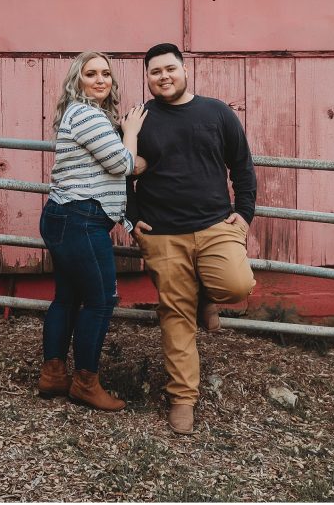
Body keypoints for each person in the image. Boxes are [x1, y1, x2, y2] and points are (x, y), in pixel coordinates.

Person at [128, 42, 257, 435]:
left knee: (238, 285)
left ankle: (206, 296)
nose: (164, 77)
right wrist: (132, 218)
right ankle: (183, 399)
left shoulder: (217, 112)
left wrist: (245, 214)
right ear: (147, 78)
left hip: (216, 226)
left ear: (185, 70)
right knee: (175, 316)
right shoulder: (138, 118)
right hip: (163, 233)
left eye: (170, 69)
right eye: (155, 72)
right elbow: (117, 172)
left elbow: (242, 165)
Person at [38, 51, 148, 411]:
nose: (100, 80)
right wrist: (132, 137)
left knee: (67, 298)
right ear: (77, 80)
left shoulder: (86, 115)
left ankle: (53, 375)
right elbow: (122, 163)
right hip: (80, 220)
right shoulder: (86, 113)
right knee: (101, 301)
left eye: (105, 74)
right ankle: (86, 382)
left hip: (66, 217)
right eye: (91, 74)